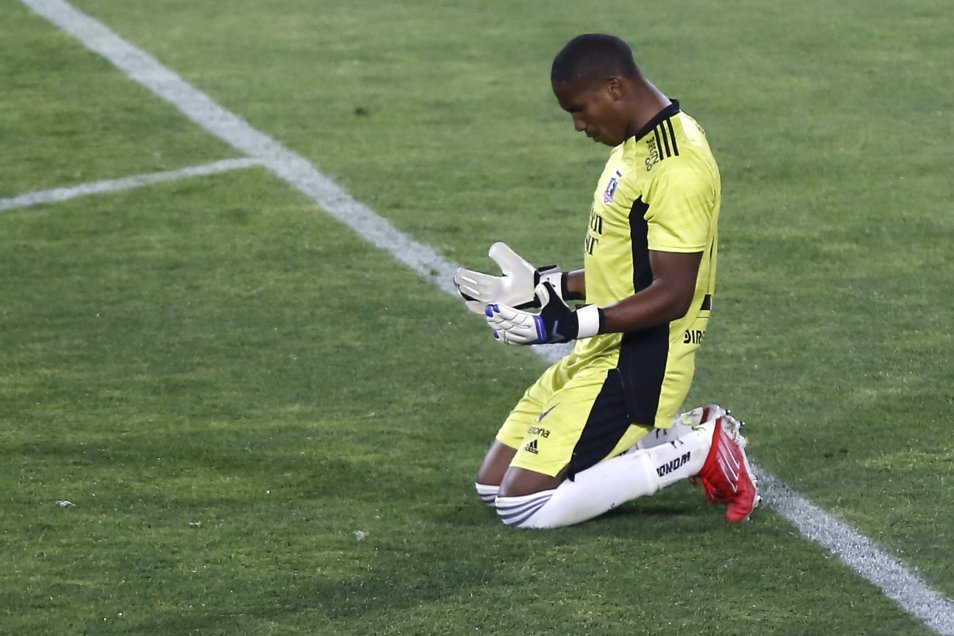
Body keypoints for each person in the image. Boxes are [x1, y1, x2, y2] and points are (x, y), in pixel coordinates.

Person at [453, 33, 759, 529]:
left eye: (579, 108)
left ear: (614, 87)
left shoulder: (677, 167)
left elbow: (673, 294)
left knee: (521, 505)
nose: (578, 125)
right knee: (492, 487)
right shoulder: (634, 143)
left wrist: (566, 326)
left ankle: (699, 448)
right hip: (603, 346)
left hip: (640, 359)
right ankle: (671, 436)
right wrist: (542, 287)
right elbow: (623, 269)